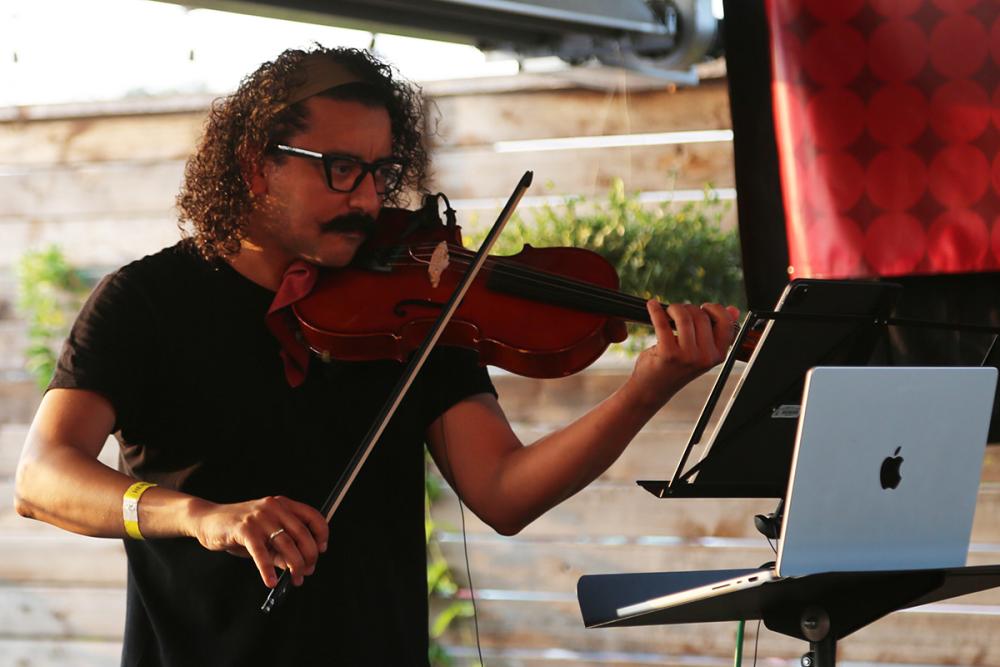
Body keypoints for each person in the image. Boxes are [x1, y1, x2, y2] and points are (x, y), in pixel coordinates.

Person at [14, 46, 738, 666]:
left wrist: (643, 392)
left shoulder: (417, 303)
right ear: (254, 165)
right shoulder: (145, 302)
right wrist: (199, 515)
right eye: (339, 169)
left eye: (380, 172)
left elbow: (505, 490)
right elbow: (44, 477)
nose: (365, 198)